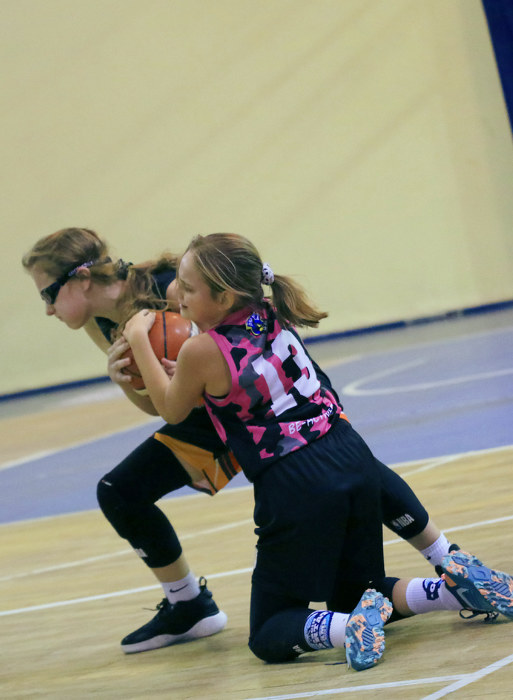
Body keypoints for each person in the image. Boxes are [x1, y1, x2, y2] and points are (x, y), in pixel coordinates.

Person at [21, 227, 495, 656]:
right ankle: (450, 575)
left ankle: (441, 561)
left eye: (48, 293)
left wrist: (164, 357)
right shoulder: (255, 311)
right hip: (282, 414)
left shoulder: (169, 294)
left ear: (81, 278)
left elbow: (174, 402)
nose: (47, 308)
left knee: (273, 623)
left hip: (270, 440)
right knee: (122, 490)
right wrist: (140, 376)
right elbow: (175, 392)